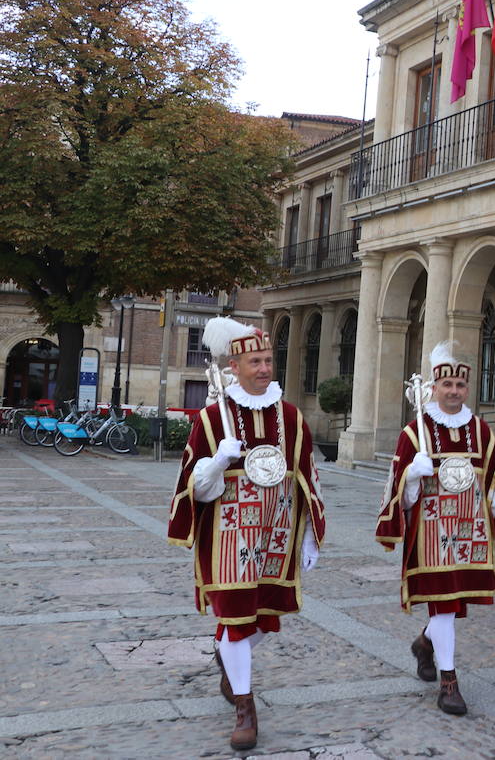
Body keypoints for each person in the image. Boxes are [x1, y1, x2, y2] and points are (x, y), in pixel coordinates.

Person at [167, 317, 325, 751]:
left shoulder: (291, 418)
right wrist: (217, 461)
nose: (264, 368)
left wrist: (310, 536)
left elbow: (307, 479)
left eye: (268, 359)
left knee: (259, 619)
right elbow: (191, 487)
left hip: (277, 533)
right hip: (229, 538)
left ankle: (227, 654)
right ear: (233, 366)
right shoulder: (211, 419)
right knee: (235, 618)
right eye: (254, 361)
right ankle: (245, 705)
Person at [376, 342, 495, 715]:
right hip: (431, 535)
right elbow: (397, 490)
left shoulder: (480, 430)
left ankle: (425, 644)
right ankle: (449, 683)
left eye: (460, 385)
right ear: (435, 388)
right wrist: (413, 473)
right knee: (442, 605)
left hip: (472, 533)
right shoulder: (415, 433)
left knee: (453, 605)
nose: (454, 391)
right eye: (448, 386)